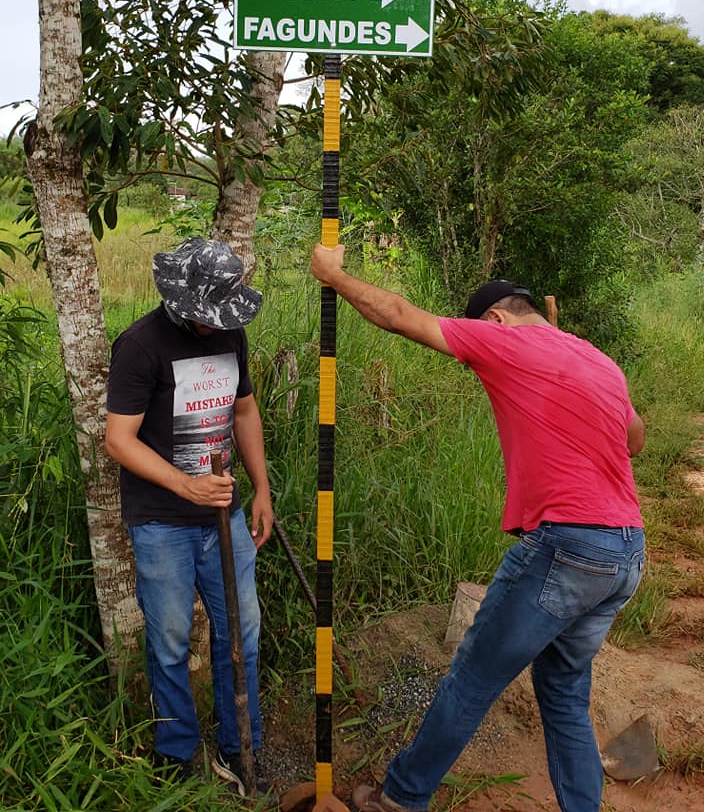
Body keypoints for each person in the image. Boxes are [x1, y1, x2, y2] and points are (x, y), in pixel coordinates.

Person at [310, 245, 646, 812]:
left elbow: (399, 315)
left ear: (494, 318)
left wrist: (334, 274)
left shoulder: (504, 340)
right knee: (565, 693)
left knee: (472, 678)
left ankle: (400, 798)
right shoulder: (597, 358)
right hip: (625, 552)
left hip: (566, 546)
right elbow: (635, 440)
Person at [105, 237, 273, 792]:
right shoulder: (140, 346)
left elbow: (243, 410)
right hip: (161, 522)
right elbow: (118, 440)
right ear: (181, 302)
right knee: (172, 639)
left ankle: (239, 747)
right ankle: (175, 753)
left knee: (242, 632)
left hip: (223, 515)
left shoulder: (230, 333)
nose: (216, 325)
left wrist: (262, 490)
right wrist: (186, 486)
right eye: (208, 315)